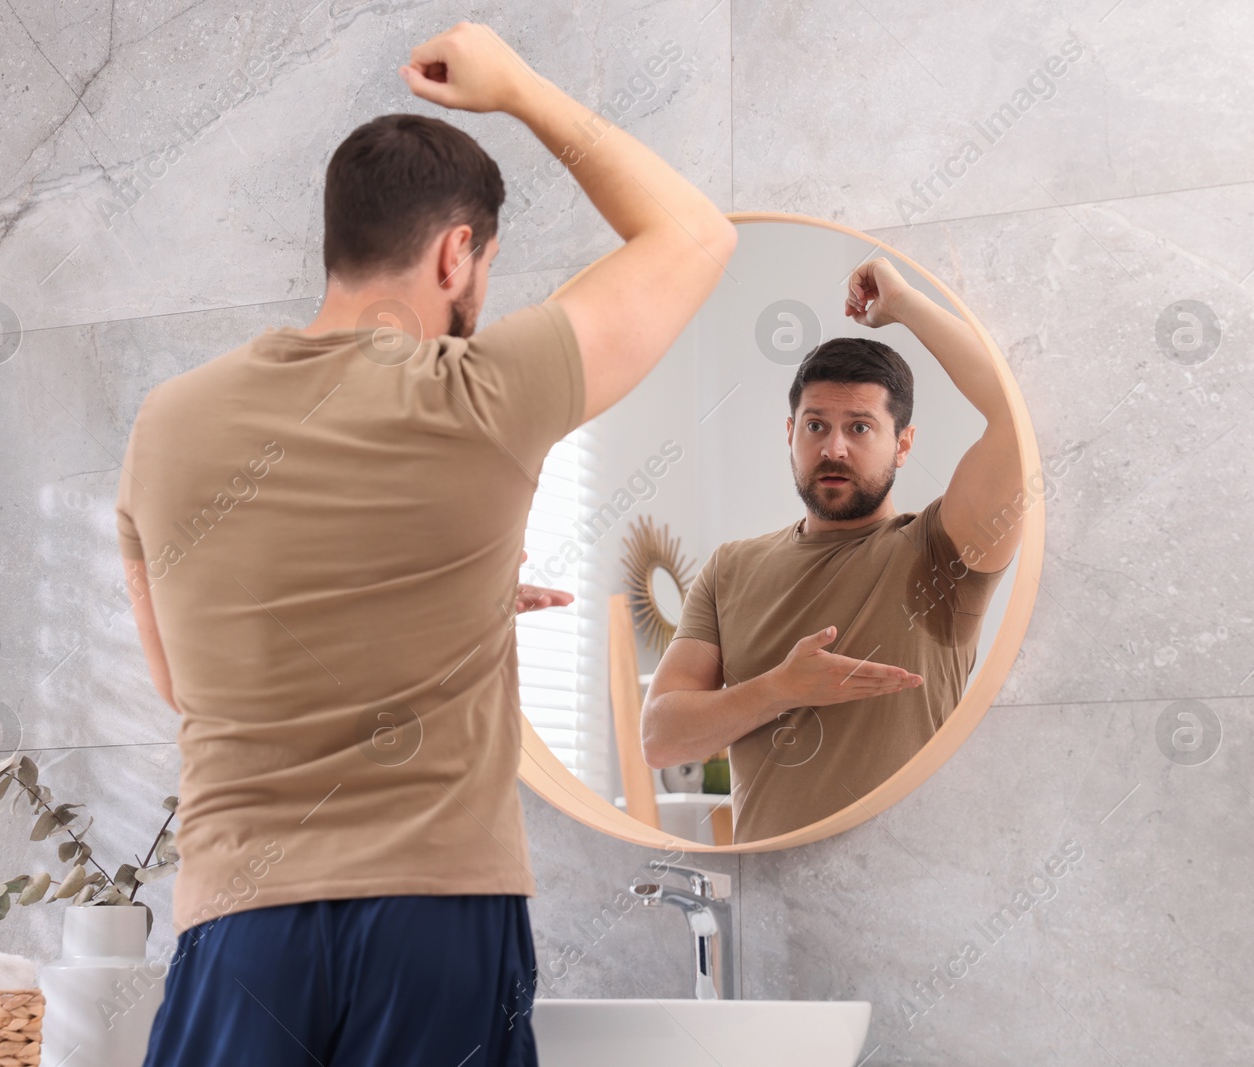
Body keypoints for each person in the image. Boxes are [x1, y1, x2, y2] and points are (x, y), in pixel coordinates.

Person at [114, 21, 736, 1067]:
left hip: (236, 920)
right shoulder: (478, 395)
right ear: (459, 251)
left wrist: (449, 601)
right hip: (434, 917)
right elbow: (693, 235)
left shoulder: (165, 424)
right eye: (484, 264)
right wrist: (523, 89)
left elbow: (186, 679)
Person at [641, 257, 1023, 843]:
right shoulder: (731, 567)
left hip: (912, 898)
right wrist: (782, 689)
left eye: (861, 428)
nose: (834, 448)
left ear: (903, 445)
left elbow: (1020, 422)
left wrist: (904, 305)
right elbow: (661, 739)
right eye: (815, 425)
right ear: (789, 434)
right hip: (765, 904)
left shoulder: (944, 549)